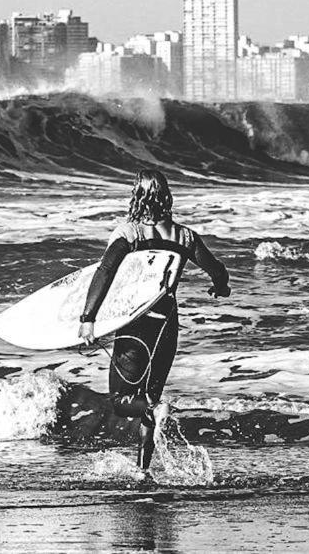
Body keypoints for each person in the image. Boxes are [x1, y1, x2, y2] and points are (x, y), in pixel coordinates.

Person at [79, 169, 230, 472]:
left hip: (136, 324)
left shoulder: (130, 234)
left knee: (122, 401)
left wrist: (88, 318)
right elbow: (217, 269)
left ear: (137, 195)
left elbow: (105, 271)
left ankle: (152, 418)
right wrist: (220, 286)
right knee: (150, 397)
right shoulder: (184, 236)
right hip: (167, 325)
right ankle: (143, 470)